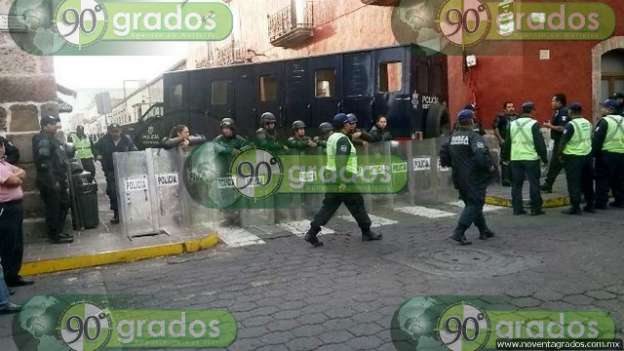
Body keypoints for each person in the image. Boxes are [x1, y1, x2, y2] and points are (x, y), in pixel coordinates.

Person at [304, 113, 382, 247]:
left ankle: (312, 233)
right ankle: (367, 232)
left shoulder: (333, 137)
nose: (351, 125)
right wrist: (343, 182)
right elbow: (341, 162)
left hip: (332, 177)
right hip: (342, 178)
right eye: (348, 123)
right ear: (344, 125)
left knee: (328, 207)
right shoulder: (342, 140)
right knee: (357, 203)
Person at [440, 109, 496, 245]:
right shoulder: (473, 136)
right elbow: (480, 155)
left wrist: (450, 164)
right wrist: (489, 166)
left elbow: (443, 153)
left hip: (458, 177)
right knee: (475, 204)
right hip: (474, 177)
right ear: (471, 121)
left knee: (471, 203)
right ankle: (458, 233)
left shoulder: (453, 137)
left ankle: (484, 230)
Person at [32, 116, 74, 243]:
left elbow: (60, 156)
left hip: (58, 179)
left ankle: (58, 231)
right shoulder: (43, 139)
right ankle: (54, 235)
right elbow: (44, 163)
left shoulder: (52, 139)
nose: (56, 126)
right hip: (50, 180)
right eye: (53, 124)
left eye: (56, 123)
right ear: (45, 126)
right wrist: (52, 181)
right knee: (54, 207)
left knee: (64, 204)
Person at [503, 102, 548, 216]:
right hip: (531, 158)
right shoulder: (534, 124)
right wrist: (544, 158)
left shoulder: (512, 124)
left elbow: (508, 142)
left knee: (516, 185)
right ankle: (535, 209)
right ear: (532, 111)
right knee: (534, 183)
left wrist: (506, 157)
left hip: (516, 158)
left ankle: (517, 209)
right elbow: (539, 143)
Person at [0, 137, 33, 287]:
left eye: (1, 146)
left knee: (17, 244)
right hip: (5, 209)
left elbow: (22, 172)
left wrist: (16, 176)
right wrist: (17, 177)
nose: (1, 149)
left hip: (15, 207)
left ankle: (13, 276)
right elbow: (13, 181)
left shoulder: (4, 164)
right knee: (8, 245)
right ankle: (7, 280)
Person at [94, 124, 138, 224]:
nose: (115, 134)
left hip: (124, 170)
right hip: (110, 171)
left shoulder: (126, 139)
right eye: (113, 131)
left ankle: (127, 213)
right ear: (109, 131)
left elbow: (134, 149)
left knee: (125, 192)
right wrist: (98, 155)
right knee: (113, 192)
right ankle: (117, 214)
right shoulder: (104, 140)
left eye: (117, 131)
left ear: (120, 131)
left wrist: (133, 154)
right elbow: (95, 147)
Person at [557, 103, 595, 215]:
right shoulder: (588, 123)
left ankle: (575, 207)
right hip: (587, 155)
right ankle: (590, 205)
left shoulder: (570, 125)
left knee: (574, 182)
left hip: (573, 157)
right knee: (587, 181)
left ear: (571, 112)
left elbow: (563, 141)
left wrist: (559, 154)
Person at [213, 118, 249, 227]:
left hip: (236, 172)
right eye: (224, 128)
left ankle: (239, 217)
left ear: (233, 129)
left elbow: (249, 146)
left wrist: (242, 150)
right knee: (225, 195)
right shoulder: (218, 140)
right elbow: (217, 148)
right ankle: (228, 218)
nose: (226, 131)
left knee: (238, 194)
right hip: (223, 173)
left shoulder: (239, 139)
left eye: (228, 128)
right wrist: (231, 150)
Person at [592, 99, 624, 209]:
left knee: (602, 179)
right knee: (619, 179)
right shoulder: (623, 120)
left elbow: (597, 140)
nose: (601, 109)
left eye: (604, 107)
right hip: (621, 154)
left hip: (606, 155)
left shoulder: (605, 121)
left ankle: (601, 202)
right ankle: (620, 200)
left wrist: (593, 154)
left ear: (610, 109)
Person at [541, 94, 569, 192]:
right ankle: (548, 184)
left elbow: (562, 128)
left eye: (553, 101)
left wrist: (550, 126)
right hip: (558, 142)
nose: (551, 103)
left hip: (563, 143)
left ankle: (548, 184)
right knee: (554, 165)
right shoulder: (558, 112)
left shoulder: (564, 112)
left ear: (559, 102)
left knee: (557, 164)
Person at [493, 101, 517, 186]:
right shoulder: (500, 117)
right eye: (509, 107)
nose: (511, 109)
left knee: (514, 159)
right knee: (505, 160)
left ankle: (513, 177)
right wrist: (500, 139)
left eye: (512, 106)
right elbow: (495, 128)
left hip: (515, 142)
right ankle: (505, 179)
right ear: (505, 109)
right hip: (505, 141)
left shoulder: (516, 117)